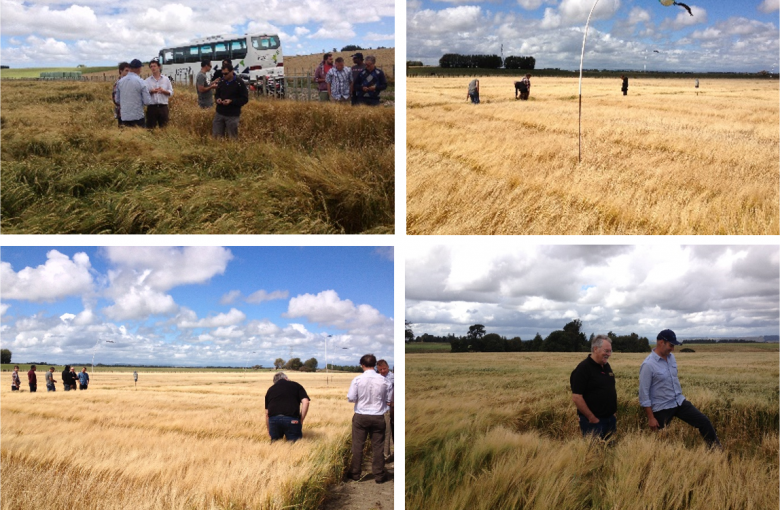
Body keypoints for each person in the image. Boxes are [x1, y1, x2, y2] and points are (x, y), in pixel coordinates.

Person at [639, 329, 722, 449]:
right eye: (671, 345)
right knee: (657, 441)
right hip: (662, 406)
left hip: (678, 401)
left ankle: (717, 452)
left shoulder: (671, 358)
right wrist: (651, 418)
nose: (673, 349)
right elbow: (643, 393)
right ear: (661, 342)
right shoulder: (648, 365)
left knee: (704, 421)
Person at [347, 354, 390, 483]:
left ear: (362, 365)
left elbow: (351, 398)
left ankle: (355, 473)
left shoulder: (357, 380)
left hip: (361, 416)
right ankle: (379, 475)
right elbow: (388, 400)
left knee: (358, 445)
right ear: (374, 364)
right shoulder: (384, 381)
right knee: (378, 446)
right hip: (378, 416)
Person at [570, 335, 617, 440]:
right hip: (594, 422)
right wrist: (592, 418)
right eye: (606, 351)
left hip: (610, 420)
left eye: (610, 351)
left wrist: (613, 413)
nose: (609, 354)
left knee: (610, 452)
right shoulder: (583, 369)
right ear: (595, 349)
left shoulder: (606, 366)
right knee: (594, 454)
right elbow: (577, 397)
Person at [264, 372, 310, 442]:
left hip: (274, 420)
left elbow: (267, 414)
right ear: (286, 378)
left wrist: (269, 430)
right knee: (295, 447)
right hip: (292, 419)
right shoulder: (296, 385)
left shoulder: (270, 389)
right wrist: (301, 419)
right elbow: (306, 402)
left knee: (275, 447)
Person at [212, 62, 249, 139]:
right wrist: (217, 99)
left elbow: (244, 99)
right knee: (216, 137)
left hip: (232, 115)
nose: (224, 76)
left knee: (232, 137)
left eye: (226, 74)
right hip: (219, 113)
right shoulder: (221, 82)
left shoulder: (239, 83)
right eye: (223, 74)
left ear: (232, 72)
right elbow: (217, 94)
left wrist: (231, 101)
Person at [115, 59, 152, 127]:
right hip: (137, 116)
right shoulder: (141, 82)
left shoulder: (120, 82)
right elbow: (147, 101)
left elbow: (117, 100)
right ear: (139, 68)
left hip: (124, 116)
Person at [145, 58, 174, 128]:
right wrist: (151, 91)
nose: (153, 68)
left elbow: (171, 92)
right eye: (151, 66)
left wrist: (164, 91)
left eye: (154, 66)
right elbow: (144, 94)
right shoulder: (147, 81)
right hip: (152, 107)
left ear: (159, 67)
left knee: (164, 128)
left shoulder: (166, 79)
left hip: (163, 107)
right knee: (150, 129)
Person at [377, 359, 394, 458]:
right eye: (380, 369)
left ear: (388, 367)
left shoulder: (393, 377)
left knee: (389, 431)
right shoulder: (378, 378)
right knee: (384, 431)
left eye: (384, 368)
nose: (383, 371)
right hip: (381, 407)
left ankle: (386, 454)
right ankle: (386, 454)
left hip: (390, 407)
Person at [112, 62, 130, 126]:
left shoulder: (131, 82)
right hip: (122, 112)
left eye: (129, 71)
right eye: (126, 70)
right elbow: (116, 99)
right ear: (121, 71)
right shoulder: (118, 83)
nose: (128, 73)